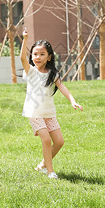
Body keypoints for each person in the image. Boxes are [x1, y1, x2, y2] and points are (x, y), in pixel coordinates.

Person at [20, 29, 83, 179]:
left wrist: (72, 101)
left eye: (42, 54)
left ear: (49, 57)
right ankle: (50, 171)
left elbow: (62, 87)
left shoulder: (52, 74)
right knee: (46, 140)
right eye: (35, 54)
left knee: (59, 142)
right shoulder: (31, 71)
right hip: (33, 112)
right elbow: (22, 58)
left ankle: (42, 164)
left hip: (48, 112)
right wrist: (25, 39)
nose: (37, 57)